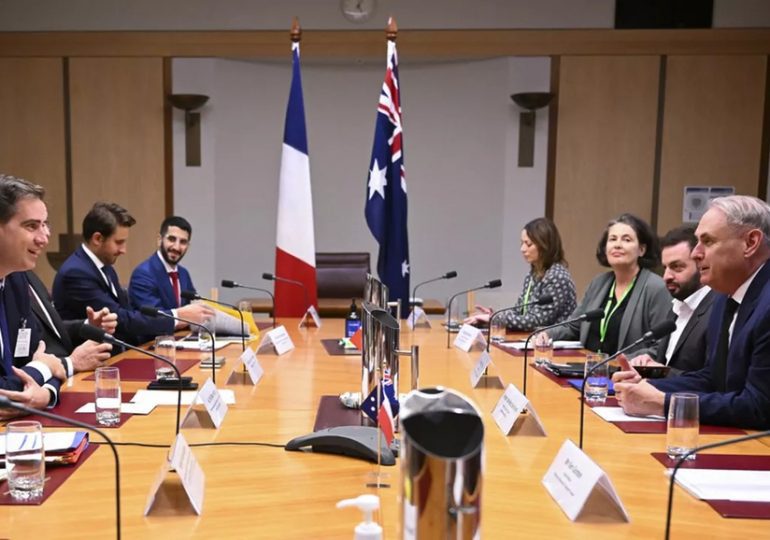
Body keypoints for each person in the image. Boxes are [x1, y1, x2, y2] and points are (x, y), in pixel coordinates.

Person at [615, 195, 770, 429]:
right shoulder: (723, 296)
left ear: (750, 243)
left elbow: (759, 407)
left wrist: (664, 403)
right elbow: (712, 379)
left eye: (707, 242)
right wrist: (647, 386)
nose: (696, 253)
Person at [52, 202, 212, 345]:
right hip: (90, 364)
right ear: (97, 239)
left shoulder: (105, 267)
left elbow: (128, 313)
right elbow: (120, 319)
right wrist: (177, 315)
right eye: (119, 242)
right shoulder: (76, 273)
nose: (123, 250)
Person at [545, 213, 672, 357]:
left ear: (641, 250)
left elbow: (661, 345)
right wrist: (546, 334)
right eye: (612, 239)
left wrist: (619, 362)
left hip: (625, 374)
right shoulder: (598, 283)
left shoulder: (656, 288)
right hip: (588, 370)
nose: (617, 245)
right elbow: (573, 326)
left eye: (626, 239)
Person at [0, 174, 67, 416]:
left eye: (45, 224)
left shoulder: (17, 280)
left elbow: (47, 361)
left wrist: (47, 392)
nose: (44, 237)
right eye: (31, 226)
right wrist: (42, 368)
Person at [629, 226, 715, 376]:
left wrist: (661, 372)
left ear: (700, 264)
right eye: (665, 268)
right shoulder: (677, 306)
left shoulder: (716, 311)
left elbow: (712, 379)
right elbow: (668, 359)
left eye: (677, 267)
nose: (666, 277)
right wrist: (648, 360)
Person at [465, 217, 577, 331]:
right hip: (532, 339)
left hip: (555, 344)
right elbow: (519, 311)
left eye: (528, 244)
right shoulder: (532, 275)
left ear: (545, 246)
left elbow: (539, 320)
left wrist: (495, 318)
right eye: (522, 243)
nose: (522, 249)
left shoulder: (557, 277)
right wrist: (493, 315)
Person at [26, 270, 116, 377]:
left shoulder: (29, 275)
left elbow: (51, 329)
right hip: (41, 382)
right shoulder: (8, 284)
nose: (40, 251)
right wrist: (70, 363)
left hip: (62, 377)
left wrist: (88, 326)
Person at [128, 216, 198, 313]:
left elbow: (193, 307)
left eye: (183, 242)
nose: (176, 247)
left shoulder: (183, 273)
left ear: (188, 246)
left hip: (183, 329)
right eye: (172, 239)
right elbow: (156, 317)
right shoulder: (143, 274)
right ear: (159, 239)